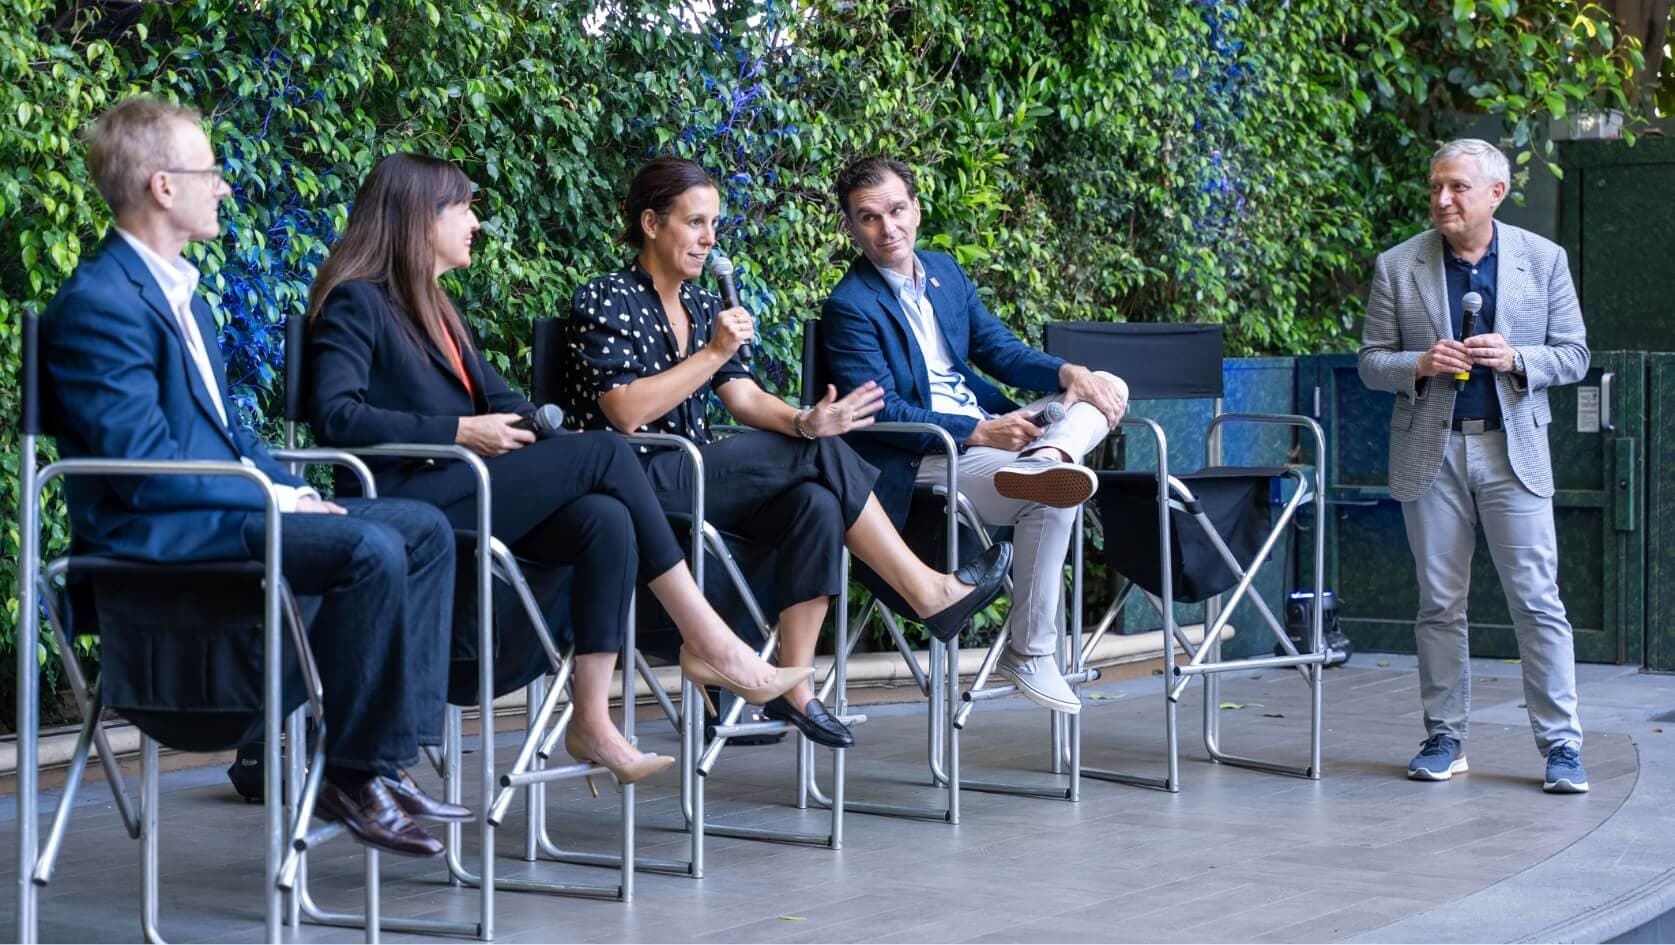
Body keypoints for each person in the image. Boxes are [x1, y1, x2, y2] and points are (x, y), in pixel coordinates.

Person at [40, 97, 462, 857]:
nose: (224, 187)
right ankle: (352, 771)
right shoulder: (100, 303)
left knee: (422, 529)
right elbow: (145, 470)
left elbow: (233, 435)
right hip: (158, 532)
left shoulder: (182, 298)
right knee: (367, 548)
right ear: (163, 186)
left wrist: (294, 490)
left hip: (217, 507)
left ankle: (379, 759)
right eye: (211, 172)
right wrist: (276, 498)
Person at [306, 153, 807, 782]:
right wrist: (459, 430)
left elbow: (505, 404)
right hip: (408, 499)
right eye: (463, 209)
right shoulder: (358, 301)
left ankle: (592, 720)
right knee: (605, 450)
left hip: (466, 489)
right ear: (417, 218)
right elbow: (337, 418)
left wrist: (547, 433)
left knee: (602, 516)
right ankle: (709, 640)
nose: (476, 224)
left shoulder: (435, 308)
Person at [556, 157, 1012, 748]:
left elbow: (742, 396)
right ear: (651, 222)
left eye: (714, 224)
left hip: (693, 478)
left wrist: (804, 419)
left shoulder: (698, 307)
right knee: (818, 455)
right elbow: (625, 411)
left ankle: (796, 686)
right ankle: (926, 590)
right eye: (695, 223)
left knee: (817, 497)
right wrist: (715, 353)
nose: (709, 240)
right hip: (633, 483)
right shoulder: (605, 297)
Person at [819, 157, 1128, 715]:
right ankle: (1030, 654)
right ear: (851, 227)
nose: (887, 228)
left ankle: (1049, 455)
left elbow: (999, 349)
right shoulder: (850, 307)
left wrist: (1067, 375)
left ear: (916, 207)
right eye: (868, 218)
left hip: (997, 443)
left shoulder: (946, 273)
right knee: (1053, 497)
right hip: (929, 453)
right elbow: (882, 410)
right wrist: (980, 432)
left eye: (895, 210)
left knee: (1106, 382)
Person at [1359, 138, 1591, 793]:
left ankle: (1561, 746)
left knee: (1538, 602)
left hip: (1510, 450)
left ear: (1495, 192)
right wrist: (1419, 364)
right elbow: (1371, 361)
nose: (1441, 199)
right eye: (1435, 186)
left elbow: (1573, 354)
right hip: (1429, 451)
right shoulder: (1397, 264)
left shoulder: (1542, 260)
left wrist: (1516, 357)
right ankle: (1444, 736)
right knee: (1437, 604)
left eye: (1457, 187)